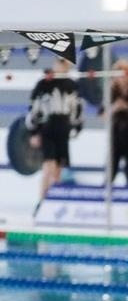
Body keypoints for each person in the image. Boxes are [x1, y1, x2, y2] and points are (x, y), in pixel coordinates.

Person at [26, 58, 83, 199]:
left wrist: (77, 127)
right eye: (61, 62)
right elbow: (34, 108)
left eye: (66, 63)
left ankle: (52, 200)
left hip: (63, 128)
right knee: (48, 166)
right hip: (48, 127)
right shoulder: (45, 82)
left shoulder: (72, 85)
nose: (63, 65)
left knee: (58, 169)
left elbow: (78, 108)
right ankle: (42, 199)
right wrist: (34, 132)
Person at [107, 60, 128, 187]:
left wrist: (127, 107)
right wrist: (115, 107)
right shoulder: (111, 92)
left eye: (125, 74)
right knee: (111, 169)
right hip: (116, 134)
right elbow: (103, 114)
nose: (122, 78)